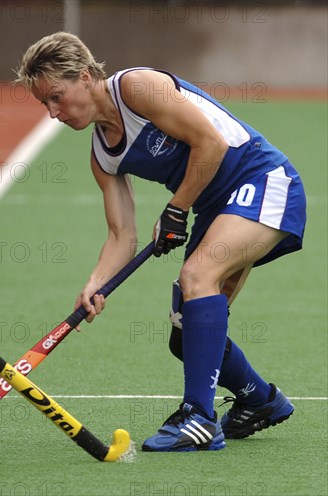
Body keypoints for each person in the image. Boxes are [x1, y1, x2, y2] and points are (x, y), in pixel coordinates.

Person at [15, 32, 306, 452]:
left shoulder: (137, 87)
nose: (53, 112)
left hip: (261, 179)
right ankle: (260, 400)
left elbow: (212, 143)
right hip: (217, 208)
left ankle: (199, 418)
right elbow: (122, 235)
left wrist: (175, 209)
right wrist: (96, 281)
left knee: (197, 276)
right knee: (186, 336)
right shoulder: (103, 156)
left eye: (57, 97)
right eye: (45, 103)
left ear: (83, 76)